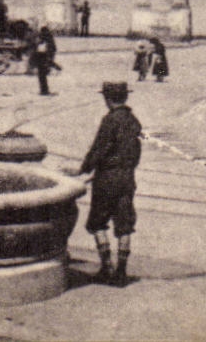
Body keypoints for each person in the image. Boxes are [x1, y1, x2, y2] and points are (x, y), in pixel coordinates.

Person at [73, 81, 141, 285]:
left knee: (97, 223)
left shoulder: (109, 121)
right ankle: (121, 271)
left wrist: (83, 169)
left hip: (106, 179)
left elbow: (98, 150)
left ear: (107, 98)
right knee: (125, 224)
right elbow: (135, 152)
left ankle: (106, 267)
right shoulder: (132, 120)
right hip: (127, 177)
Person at [30, 25, 58, 96]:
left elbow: (35, 50)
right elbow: (52, 50)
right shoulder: (48, 39)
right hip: (44, 59)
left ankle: (44, 90)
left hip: (41, 59)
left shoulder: (40, 39)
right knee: (43, 76)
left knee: (42, 76)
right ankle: (44, 90)